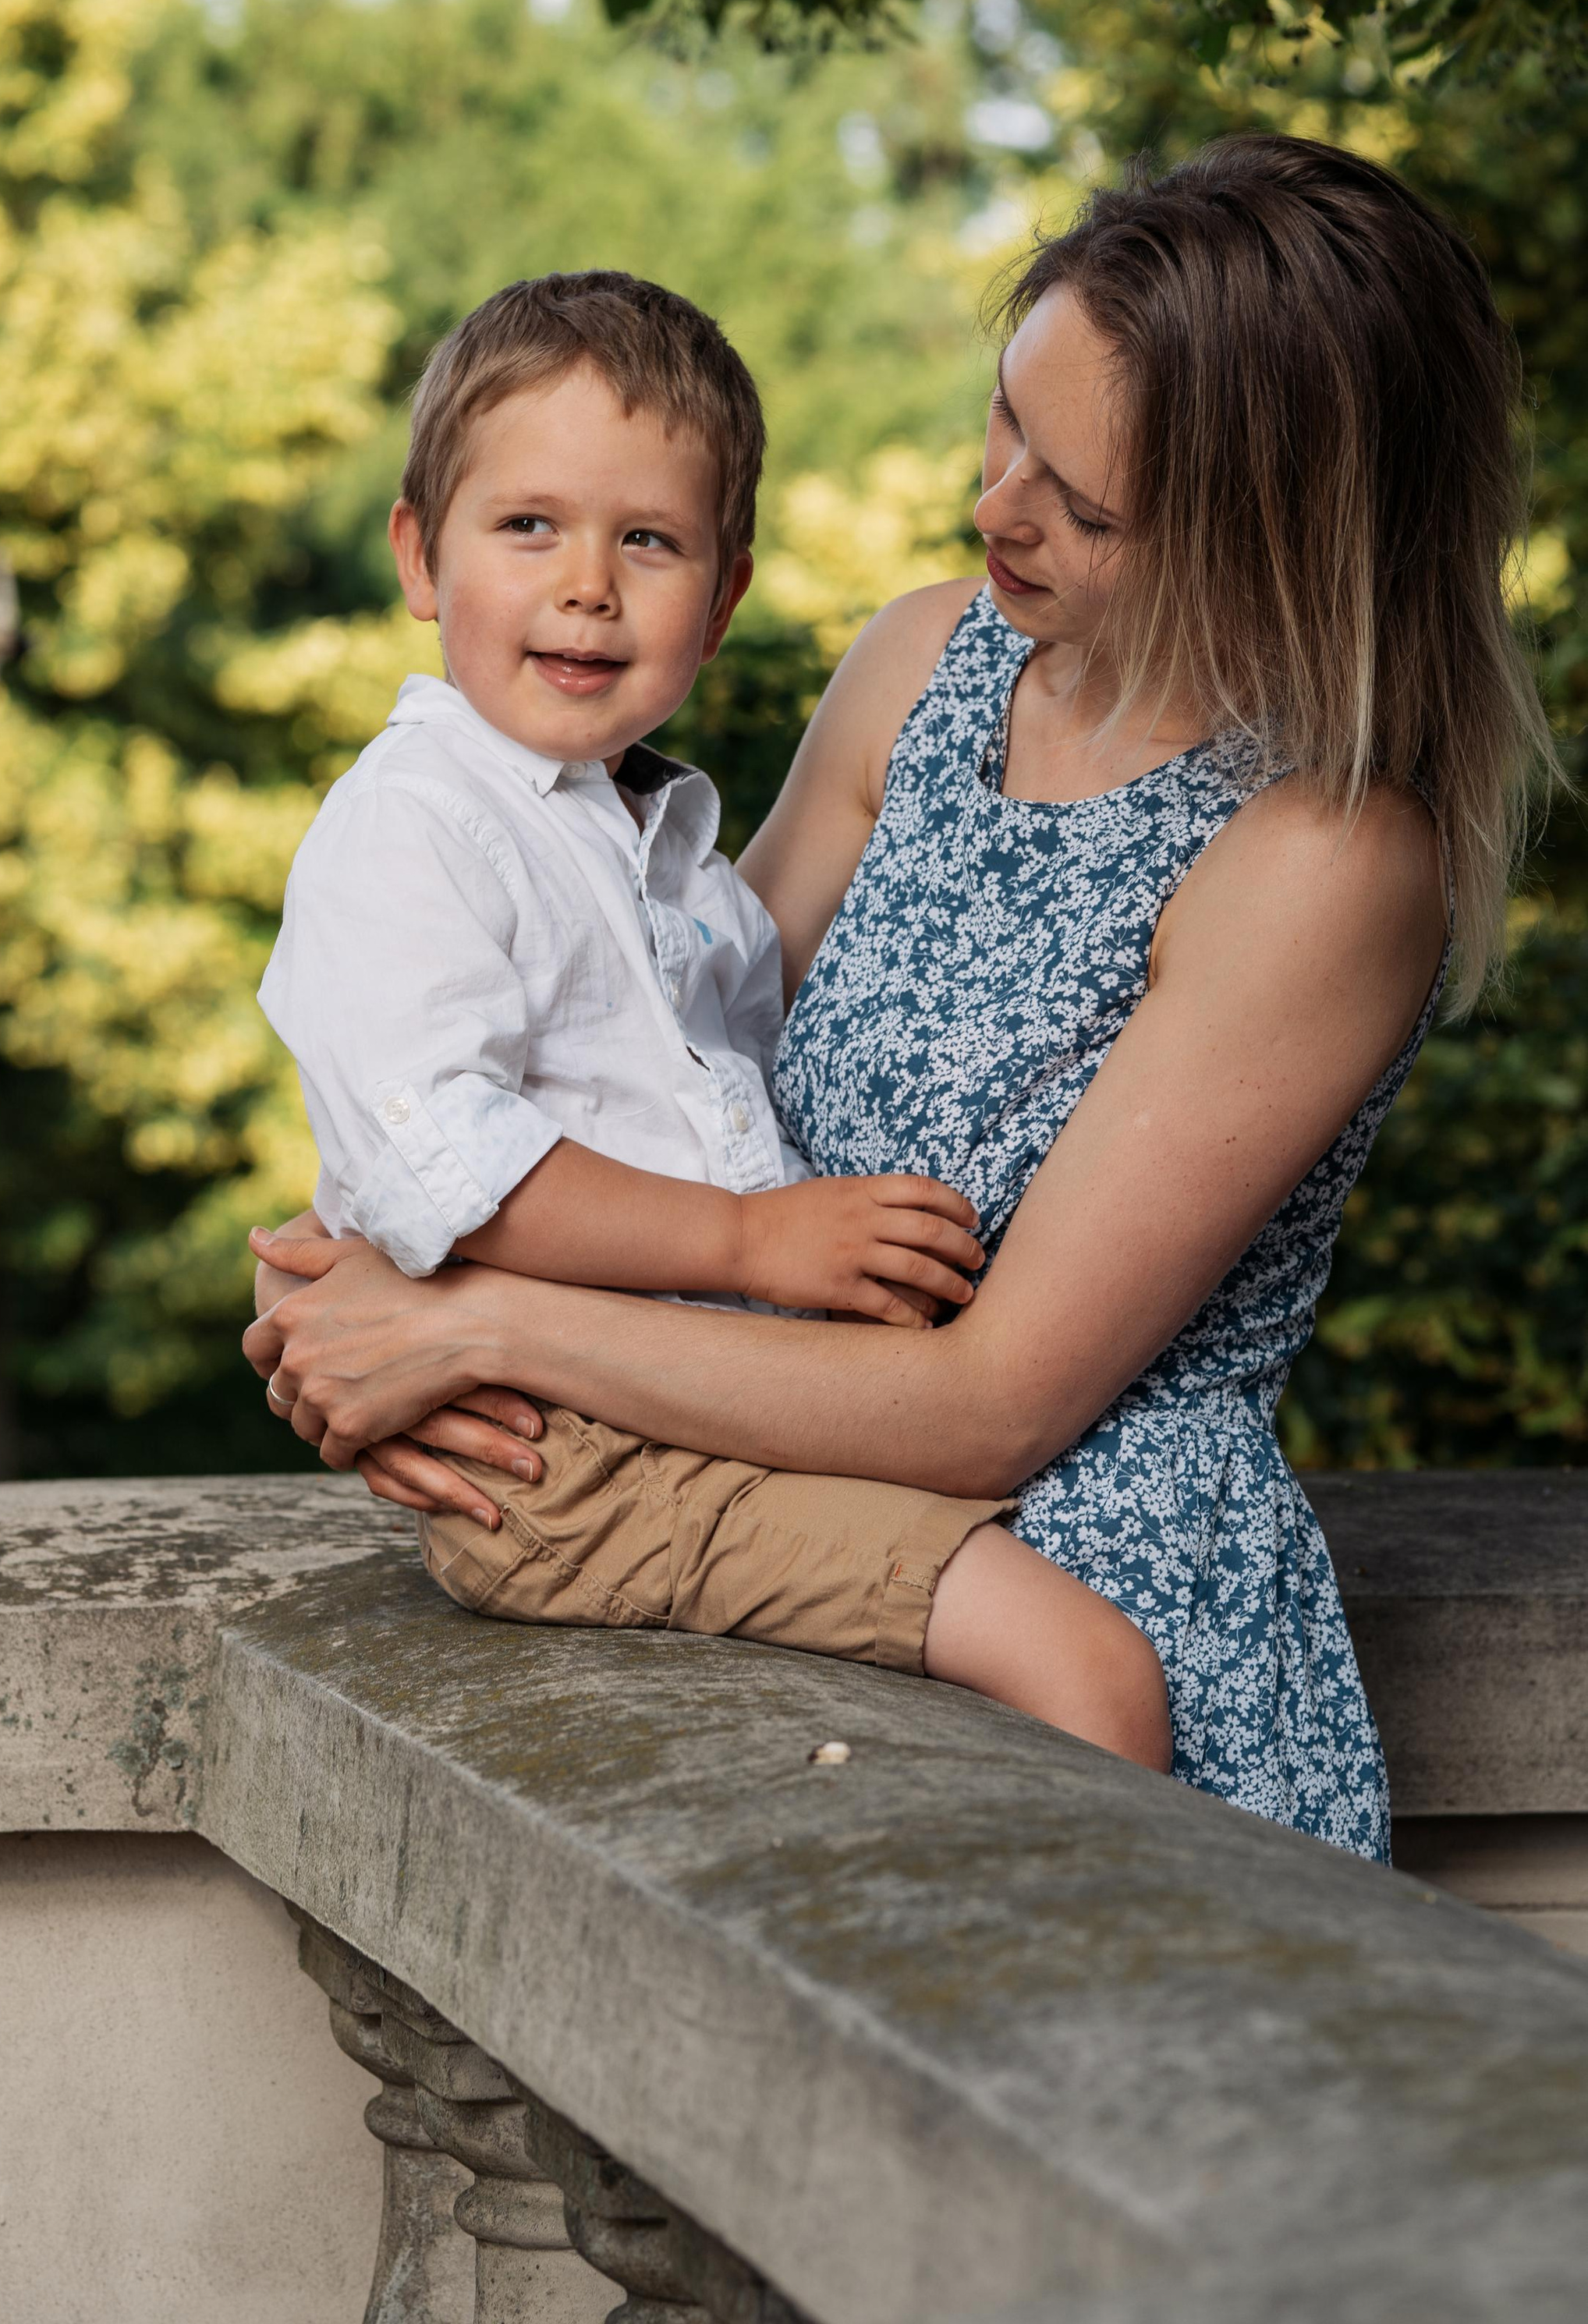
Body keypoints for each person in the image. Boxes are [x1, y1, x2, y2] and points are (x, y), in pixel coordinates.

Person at [250, 139, 1554, 1859]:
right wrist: (346, 1280)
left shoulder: (1318, 857)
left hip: (1088, 1599)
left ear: (1268, 537)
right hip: (766, 1507)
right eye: (1006, 423)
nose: (992, 507)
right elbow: (660, 1058)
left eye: (1078, 502)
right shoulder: (926, 661)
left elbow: (991, 1402)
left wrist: (476, 1331)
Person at [258, 271, 1171, 1766]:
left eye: (650, 542)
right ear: (421, 559)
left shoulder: (651, 849)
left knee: (1051, 1632)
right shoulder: (412, 828)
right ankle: (1065, 1983)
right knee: (1079, 1664)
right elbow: (450, 1162)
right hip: (581, 1460)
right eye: (529, 526)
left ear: (724, 597)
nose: (588, 587)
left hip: (673, 1411)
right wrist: (755, 1244)